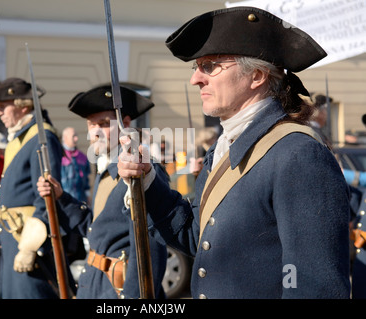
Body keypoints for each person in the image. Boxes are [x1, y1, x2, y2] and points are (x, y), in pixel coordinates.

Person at [117, 7, 351, 298]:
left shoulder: (298, 153)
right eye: (196, 67)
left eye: (210, 66)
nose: (196, 79)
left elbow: (314, 286)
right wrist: (148, 179)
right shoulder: (223, 147)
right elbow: (197, 237)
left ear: (256, 75)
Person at [37, 84, 168, 299]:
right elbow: (97, 227)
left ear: (125, 124)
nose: (95, 132)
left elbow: (151, 247)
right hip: (97, 285)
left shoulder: (143, 171)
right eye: (91, 124)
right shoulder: (106, 169)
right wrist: (61, 198)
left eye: (104, 124)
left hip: (120, 290)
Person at [0, 77, 73, 299]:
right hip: (12, 239)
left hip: (30, 242)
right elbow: (17, 195)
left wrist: (28, 247)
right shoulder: (20, 139)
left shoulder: (41, 138)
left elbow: (46, 197)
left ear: (22, 106)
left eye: (1, 107)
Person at [60, 127, 91, 204]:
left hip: (81, 199)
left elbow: (86, 179)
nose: (76, 139)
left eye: (76, 136)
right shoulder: (58, 156)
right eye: (73, 136)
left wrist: (88, 196)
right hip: (64, 200)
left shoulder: (82, 157)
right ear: (65, 138)